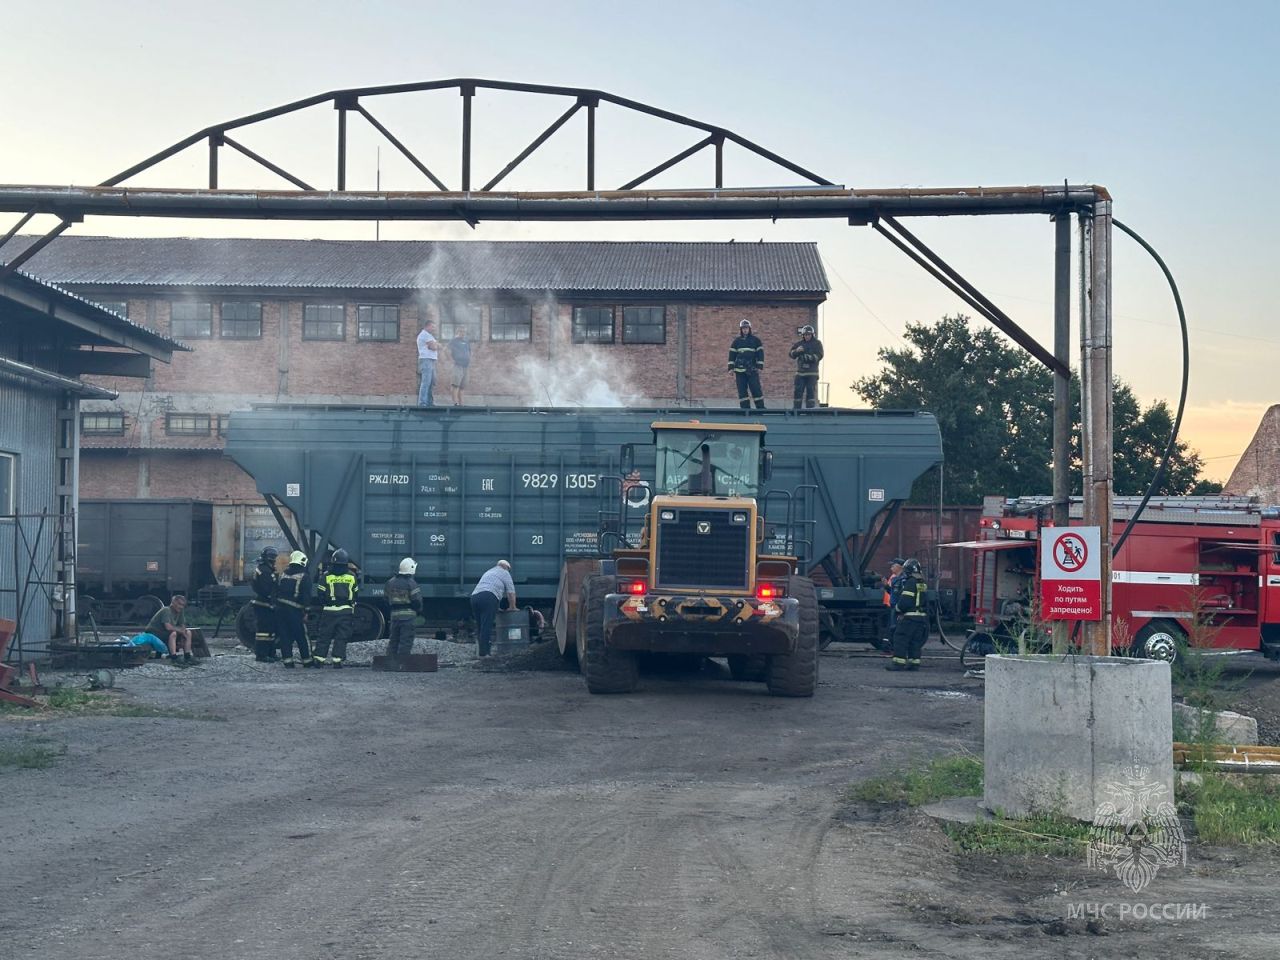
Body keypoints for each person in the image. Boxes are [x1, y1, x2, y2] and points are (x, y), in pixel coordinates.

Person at [313, 548, 358, 668]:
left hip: (329, 610)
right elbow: (355, 594)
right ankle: (337, 661)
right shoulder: (352, 576)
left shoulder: (326, 576)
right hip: (346, 611)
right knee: (341, 636)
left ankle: (319, 660)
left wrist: (326, 603)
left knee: (324, 635)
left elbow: (320, 593)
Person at [887, 559, 929, 671]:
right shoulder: (922, 583)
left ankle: (898, 663)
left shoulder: (911, 582)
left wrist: (897, 609)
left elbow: (905, 601)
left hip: (909, 617)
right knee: (914, 641)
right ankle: (914, 663)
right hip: (921, 617)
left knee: (900, 637)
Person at [274, 550, 313, 668]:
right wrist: (306, 611)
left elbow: (277, 590)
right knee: (302, 636)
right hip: (295, 611)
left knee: (285, 635)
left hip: (280, 609)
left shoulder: (283, 574)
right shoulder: (304, 576)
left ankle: (288, 662)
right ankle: (307, 661)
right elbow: (306, 595)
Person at [470, 559, 516, 657]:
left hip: (474, 597)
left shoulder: (489, 571)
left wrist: (496, 608)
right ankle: (485, 654)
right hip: (488, 597)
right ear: (506, 567)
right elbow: (510, 592)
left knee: (480, 626)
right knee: (486, 625)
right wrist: (513, 607)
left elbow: (493, 588)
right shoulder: (505, 573)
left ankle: (480, 652)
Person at [385, 557, 423, 658]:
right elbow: (417, 601)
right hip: (408, 618)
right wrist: (418, 611)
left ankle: (390, 662)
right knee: (405, 640)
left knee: (393, 640)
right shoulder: (411, 583)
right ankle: (402, 662)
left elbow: (385, 598)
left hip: (394, 617)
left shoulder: (390, 582)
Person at [145, 594, 196, 665]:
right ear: (173, 603)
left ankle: (187, 656)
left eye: (183, 605)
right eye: (179, 604)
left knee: (188, 632)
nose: (181, 607)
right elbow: (168, 627)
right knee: (173, 633)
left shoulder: (180, 611)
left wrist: (183, 632)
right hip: (154, 633)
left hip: (164, 633)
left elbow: (182, 625)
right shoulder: (166, 610)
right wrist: (180, 630)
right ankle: (174, 657)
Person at [249, 546, 279, 662]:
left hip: (266, 604)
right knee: (264, 631)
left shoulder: (266, 569)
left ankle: (271, 653)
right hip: (263, 604)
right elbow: (268, 589)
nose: (274, 561)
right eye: (273, 559)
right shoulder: (265, 571)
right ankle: (261, 655)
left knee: (271, 630)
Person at [728, 318, 766, 410]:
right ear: (741, 329)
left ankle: (760, 408)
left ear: (750, 329)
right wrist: (730, 368)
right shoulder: (736, 342)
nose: (745, 330)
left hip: (752, 369)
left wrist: (760, 366)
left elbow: (760, 354)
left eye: (747, 328)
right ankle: (745, 409)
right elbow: (732, 355)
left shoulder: (756, 340)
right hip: (739, 371)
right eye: (743, 328)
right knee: (742, 391)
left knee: (756, 389)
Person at [788, 324, 824, 409]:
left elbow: (820, 355)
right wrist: (797, 351)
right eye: (805, 335)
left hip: (812, 373)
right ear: (803, 335)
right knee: (798, 391)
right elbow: (791, 354)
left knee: (810, 391)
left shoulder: (817, 343)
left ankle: (810, 410)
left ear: (812, 335)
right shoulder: (799, 344)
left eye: (808, 335)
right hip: (800, 373)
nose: (807, 336)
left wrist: (809, 357)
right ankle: (796, 410)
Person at [881, 557, 906, 647]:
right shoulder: (895, 578)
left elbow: (902, 595)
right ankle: (890, 646)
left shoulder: (903, 579)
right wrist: (886, 586)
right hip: (892, 606)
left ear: (899, 567)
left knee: (895, 627)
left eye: (893, 565)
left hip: (897, 608)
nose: (891, 567)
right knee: (892, 627)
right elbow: (892, 592)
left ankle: (895, 647)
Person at [416, 317, 439, 407]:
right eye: (432, 327)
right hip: (426, 360)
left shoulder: (430, 336)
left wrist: (436, 344)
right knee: (426, 381)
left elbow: (436, 345)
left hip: (431, 360)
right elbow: (433, 347)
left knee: (431, 381)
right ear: (428, 326)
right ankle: (422, 403)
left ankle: (429, 402)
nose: (434, 328)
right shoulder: (424, 334)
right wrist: (436, 345)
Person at [448, 329, 471, 407]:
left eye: (464, 332)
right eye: (461, 332)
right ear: (457, 333)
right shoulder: (454, 341)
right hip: (458, 365)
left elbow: (469, 351)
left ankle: (461, 404)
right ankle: (455, 403)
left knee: (462, 386)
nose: (463, 333)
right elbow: (446, 350)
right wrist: (451, 360)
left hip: (466, 366)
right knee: (455, 385)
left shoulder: (466, 341)